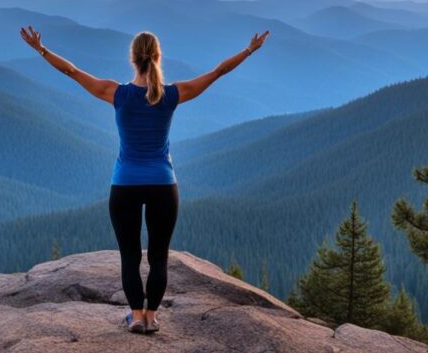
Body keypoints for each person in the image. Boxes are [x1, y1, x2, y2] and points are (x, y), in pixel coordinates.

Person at [19, 25, 270, 334]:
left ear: (132, 59)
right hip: (163, 184)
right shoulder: (172, 94)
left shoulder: (117, 93)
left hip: (124, 184)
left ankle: (136, 315)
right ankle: (152, 317)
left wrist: (40, 49)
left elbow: (71, 71)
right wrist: (249, 50)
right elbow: (218, 72)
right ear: (158, 57)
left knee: (129, 256)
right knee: (158, 256)